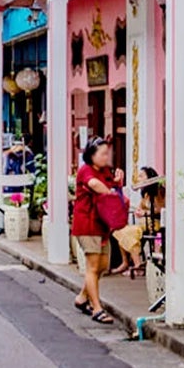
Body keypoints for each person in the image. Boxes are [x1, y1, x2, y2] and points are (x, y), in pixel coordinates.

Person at [70, 138, 124, 325]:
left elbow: (114, 190)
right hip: (87, 224)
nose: (106, 156)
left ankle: (82, 298)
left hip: (103, 225)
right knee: (92, 267)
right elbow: (94, 185)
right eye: (102, 153)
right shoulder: (86, 170)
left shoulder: (106, 172)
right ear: (91, 155)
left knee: (102, 266)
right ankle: (97, 308)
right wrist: (109, 191)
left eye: (107, 153)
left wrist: (117, 182)